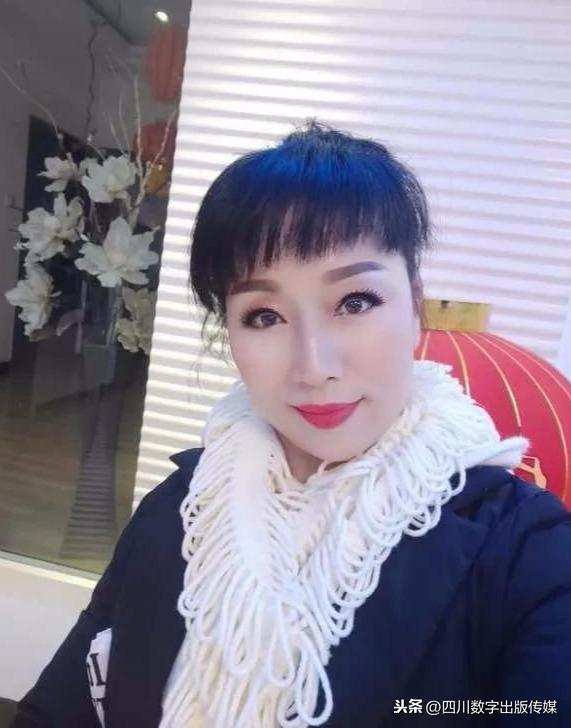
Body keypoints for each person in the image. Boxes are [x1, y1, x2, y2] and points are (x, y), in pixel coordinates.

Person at [11, 121, 571, 728]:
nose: (313, 367)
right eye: (264, 315)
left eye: (355, 302)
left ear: (414, 304)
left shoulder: (528, 551)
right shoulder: (181, 510)